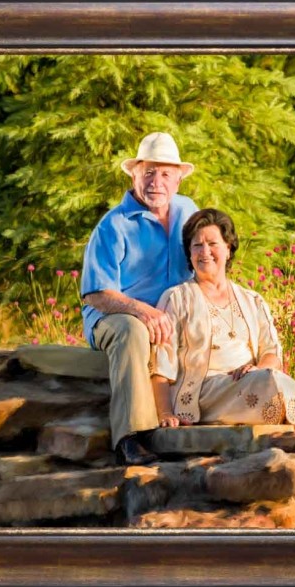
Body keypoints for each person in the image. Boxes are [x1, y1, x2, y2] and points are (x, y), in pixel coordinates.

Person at [81, 132, 198, 465]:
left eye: (164, 173)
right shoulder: (112, 225)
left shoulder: (188, 210)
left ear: (177, 179)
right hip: (113, 315)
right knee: (133, 330)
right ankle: (131, 436)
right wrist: (142, 311)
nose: (155, 182)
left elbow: (205, 255)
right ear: (134, 174)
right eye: (148, 172)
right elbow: (95, 293)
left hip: (168, 313)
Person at [150, 208, 295, 430]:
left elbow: (272, 353)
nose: (205, 251)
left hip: (255, 381)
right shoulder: (177, 298)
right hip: (204, 391)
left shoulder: (253, 300)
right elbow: (161, 365)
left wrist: (258, 369)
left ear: (228, 249)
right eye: (197, 245)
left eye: (213, 244)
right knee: (269, 386)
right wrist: (164, 413)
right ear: (190, 254)